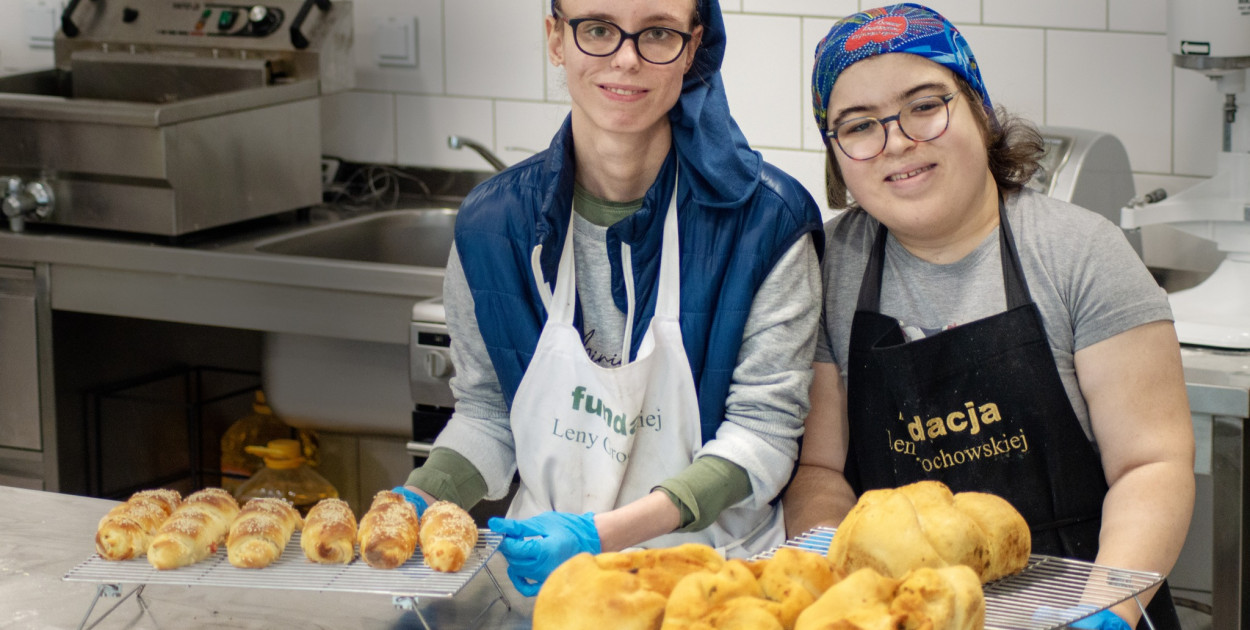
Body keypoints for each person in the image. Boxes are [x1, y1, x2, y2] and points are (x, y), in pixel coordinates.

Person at [782, 5, 1194, 630]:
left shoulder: (1079, 252)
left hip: (1086, 593)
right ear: (837, 154)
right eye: (859, 126)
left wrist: (1105, 610)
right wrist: (850, 591)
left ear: (978, 109)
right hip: (910, 611)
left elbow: (1151, 465)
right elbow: (818, 471)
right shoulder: (829, 268)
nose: (897, 141)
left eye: (924, 105)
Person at [394, 0, 824, 597]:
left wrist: (603, 534)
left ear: (693, 46)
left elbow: (764, 434)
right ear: (555, 39)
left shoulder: (766, 224)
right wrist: (418, 496)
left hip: (710, 586)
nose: (626, 58)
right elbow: (489, 414)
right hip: (544, 588)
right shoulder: (491, 227)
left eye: (657, 33)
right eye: (597, 29)